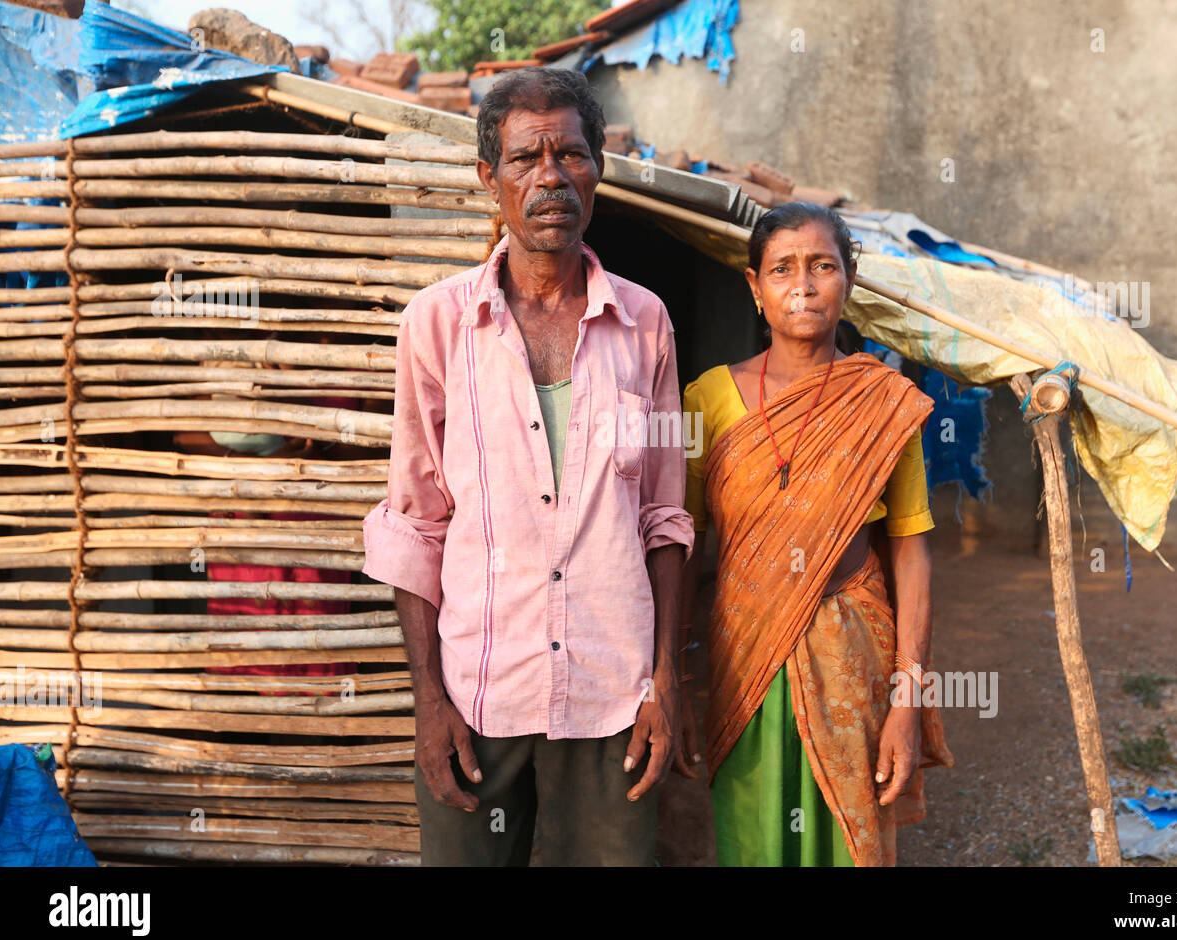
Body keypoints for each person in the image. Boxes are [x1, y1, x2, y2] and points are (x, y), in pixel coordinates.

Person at [361, 67, 695, 866]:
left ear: (598, 169)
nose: (551, 176)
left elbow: (665, 515)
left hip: (613, 685)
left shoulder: (646, 322)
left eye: (570, 154)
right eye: (524, 158)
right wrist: (429, 703)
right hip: (480, 684)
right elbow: (415, 522)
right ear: (490, 178)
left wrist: (664, 681)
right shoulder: (437, 324)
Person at [680, 202, 954, 866]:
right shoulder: (706, 400)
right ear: (754, 286)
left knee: (846, 841)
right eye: (782, 269)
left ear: (849, 279)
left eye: (822, 266)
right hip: (743, 657)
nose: (802, 285)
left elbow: (911, 552)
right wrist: (674, 680)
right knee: (756, 838)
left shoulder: (885, 404)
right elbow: (681, 550)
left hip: (854, 655)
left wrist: (906, 700)